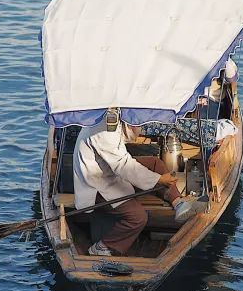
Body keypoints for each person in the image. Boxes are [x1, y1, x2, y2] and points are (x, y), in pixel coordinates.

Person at [73, 108, 203, 256]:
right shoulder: (104, 132)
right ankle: (102, 247)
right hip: (96, 186)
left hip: (109, 171)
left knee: (155, 164)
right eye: (139, 125)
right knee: (138, 217)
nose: (140, 130)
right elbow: (123, 166)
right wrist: (159, 179)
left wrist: (157, 178)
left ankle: (178, 203)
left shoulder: (113, 120)